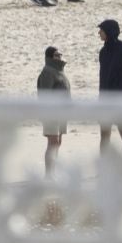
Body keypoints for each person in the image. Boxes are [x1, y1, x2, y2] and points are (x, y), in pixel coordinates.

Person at [97, 19, 122, 173]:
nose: (99, 33)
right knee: (104, 135)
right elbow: (103, 77)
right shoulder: (103, 52)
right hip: (105, 100)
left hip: (121, 101)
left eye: (101, 30)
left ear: (109, 31)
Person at [37, 45, 71, 176]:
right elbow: (45, 95)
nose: (59, 57)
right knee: (53, 142)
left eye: (60, 55)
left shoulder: (59, 71)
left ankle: (53, 172)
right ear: (49, 57)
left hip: (61, 113)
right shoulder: (47, 72)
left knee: (58, 143)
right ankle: (49, 175)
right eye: (56, 55)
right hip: (51, 113)